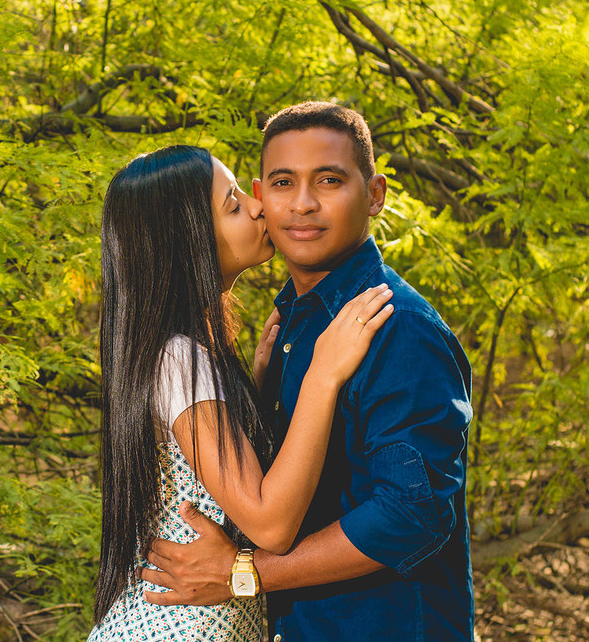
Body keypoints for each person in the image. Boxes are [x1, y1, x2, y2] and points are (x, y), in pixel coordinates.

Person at [139, 103, 474, 641]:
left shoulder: (396, 328)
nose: (302, 204)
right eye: (282, 183)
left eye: (329, 180)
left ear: (375, 196)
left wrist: (245, 575)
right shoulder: (292, 331)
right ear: (261, 197)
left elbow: (411, 514)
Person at [88, 144, 395, 641]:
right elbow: (270, 526)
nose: (256, 206)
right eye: (232, 204)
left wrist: (252, 392)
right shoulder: (178, 359)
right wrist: (323, 373)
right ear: (186, 243)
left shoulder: (187, 355)